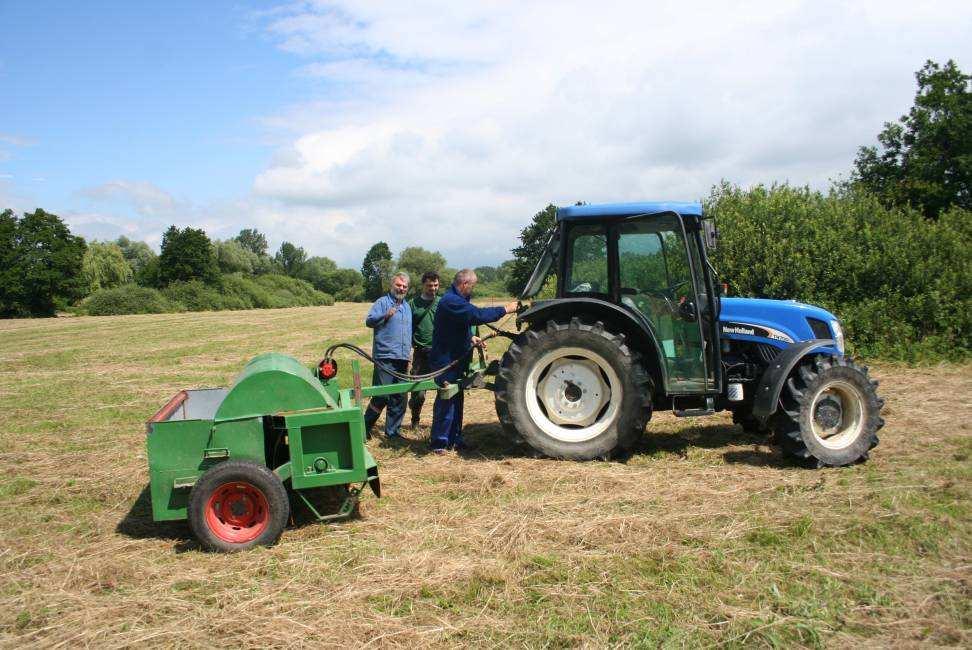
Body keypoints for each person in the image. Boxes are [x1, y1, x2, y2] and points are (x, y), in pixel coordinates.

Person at [429, 269, 518, 453]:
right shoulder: (451, 301)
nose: (473, 290)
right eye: (473, 286)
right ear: (464, 284)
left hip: (456, 359)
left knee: (456, 399)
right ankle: (439, 444)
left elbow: (458, 324)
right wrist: (506, 309)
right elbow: (477, 315)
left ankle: (454, 440)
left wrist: (470, 337)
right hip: (446, 361)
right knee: (447, 400)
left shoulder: (457, 300)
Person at [363, 272, 412, 438]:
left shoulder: (407, 307)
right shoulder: (382, 302)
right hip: (385, 357)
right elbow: (369, 321)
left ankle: (393, 432)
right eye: (399, 285)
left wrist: (409, 354)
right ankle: (364, 428)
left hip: (402, 358)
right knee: (382, 395)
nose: (401, 288)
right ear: (392, 285)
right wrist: (385, 315)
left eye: (404, 286)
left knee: (400, 396)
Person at [407, 271, 440, 428]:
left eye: (435, 285)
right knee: (418, 391)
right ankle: (415, 420)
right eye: (429, 285)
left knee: (444, 388)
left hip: (439, 352)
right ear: (423, 285)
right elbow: (406, 328)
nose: (433, 288)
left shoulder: (442, 302)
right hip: (421, 353)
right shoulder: (412, 304)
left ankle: (440, 424)